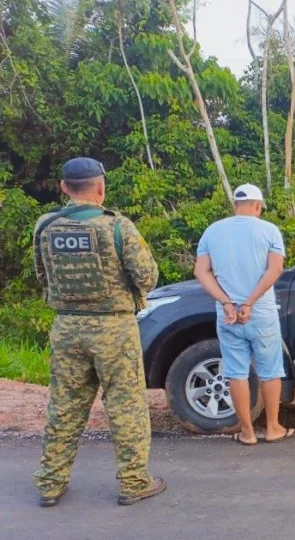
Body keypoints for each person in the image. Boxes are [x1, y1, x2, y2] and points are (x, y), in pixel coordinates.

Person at [33, 157, 167, 507]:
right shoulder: (117, 227)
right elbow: (148, 277)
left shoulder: (45, 227)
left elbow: (42, 276)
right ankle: (134, 481)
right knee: (126, 407)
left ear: (63, 187)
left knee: (64, 407)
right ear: (101, 187)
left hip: (67, 326)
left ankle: (50, 484)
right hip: (114, 328)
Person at [194, 183, 294, 446]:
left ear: (235, 204)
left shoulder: (212, 231)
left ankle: (247, 432)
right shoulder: (269, 230)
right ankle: (273, 428)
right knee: (270, 370)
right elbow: (274, 270)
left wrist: (227, 302)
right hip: (260, 312)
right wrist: (249, 302)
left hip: (227, 315)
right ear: (258, 205)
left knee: (236, 372)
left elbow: (201, 271)